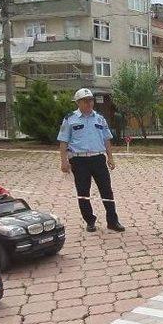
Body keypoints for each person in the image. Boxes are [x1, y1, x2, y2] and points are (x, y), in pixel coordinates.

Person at [57, 88, 124, 232]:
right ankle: (90, 220)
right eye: (85, 101)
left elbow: (106, 139)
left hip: (98, 159)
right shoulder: (70, 119)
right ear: (78, 102)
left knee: (107, 191)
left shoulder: (99, 118)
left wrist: (110, 157)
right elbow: (63, 141)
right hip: (79, 161)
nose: (89, 103)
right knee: (83, 192)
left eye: (91, 100)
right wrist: (64, 161)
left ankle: (113, 221)